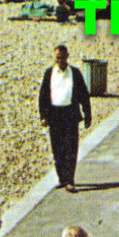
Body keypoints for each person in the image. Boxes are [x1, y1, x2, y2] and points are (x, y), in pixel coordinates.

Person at [38, 45, 93, 191]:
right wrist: (43, 116)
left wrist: (88, 115)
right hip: (54, 115)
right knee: (57, 149)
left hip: (70, 114)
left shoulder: (74, 73)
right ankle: (61, 178)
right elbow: (43, 96)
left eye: (62, 57)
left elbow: (84, 95)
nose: (60, 60)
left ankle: (70, 180)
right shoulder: (49, 73)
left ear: (67, 57)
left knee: (70, 148)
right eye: (57, 58)